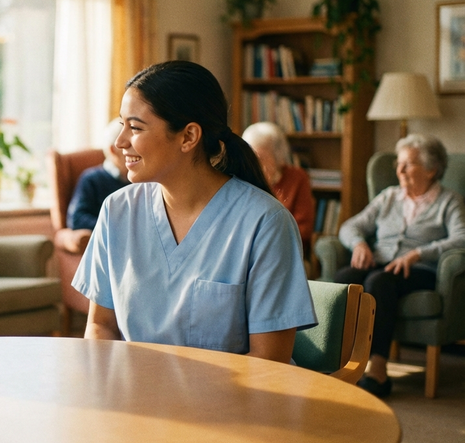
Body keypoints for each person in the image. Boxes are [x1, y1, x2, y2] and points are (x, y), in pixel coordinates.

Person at [73, 60, 316, 363]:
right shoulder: (117, 210)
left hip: (234, 405)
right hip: (138, 400)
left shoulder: (265, 222)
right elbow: (101, 325)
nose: (120, 142)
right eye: (121, 124)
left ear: (188, 136)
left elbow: (269, 362)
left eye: (135, 127)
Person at [335, 133, 465, 397]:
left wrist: (419, 253)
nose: (400, 169)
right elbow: (351, 226)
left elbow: (461, 237)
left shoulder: (448, 201)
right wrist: (360, 244)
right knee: (344, 277)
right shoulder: (389, 197)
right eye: (399, 163)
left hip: (419, 271)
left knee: (378, 282)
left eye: (409, 163)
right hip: (381, 262)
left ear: (431, 169)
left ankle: (378, 371)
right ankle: (336, 362)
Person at [242, 121, 316, 251]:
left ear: (278, 155)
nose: (253, 163)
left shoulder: (298, 178)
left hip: (285, 249)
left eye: (260, 157)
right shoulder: (243, 180)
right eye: (250, 157)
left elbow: (303, 229)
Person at [66, 119, 131, 230]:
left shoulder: (142, 180)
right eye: (128, 145)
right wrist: (116, 228)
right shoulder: (92, 179)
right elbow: (76, 219)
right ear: (112, 150)